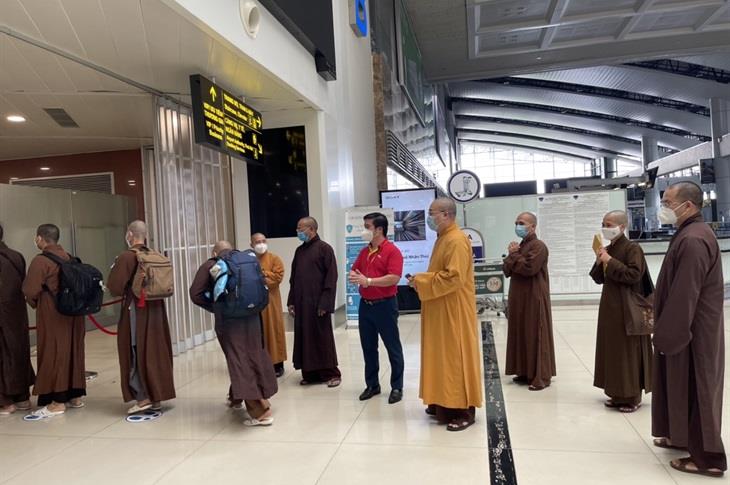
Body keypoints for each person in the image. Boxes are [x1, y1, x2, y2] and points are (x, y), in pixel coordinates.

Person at [652, 181, 726, 477]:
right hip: (686, 328)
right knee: (679, 384)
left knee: (698, 389)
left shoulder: (694, 239)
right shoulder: (689, 233)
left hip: (693, 333)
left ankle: (707, 459)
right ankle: (680, 437)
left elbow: (686, 294)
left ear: (689, 206)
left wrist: (668, 333)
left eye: (668, 202)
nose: (664, 208)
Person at [408, 198, 483, 431]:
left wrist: (421, 280)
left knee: (454, 356)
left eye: (432, 213)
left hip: (453, 309)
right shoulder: (443, 238)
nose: (429, 218)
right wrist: (422, 280)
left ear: (446, 214)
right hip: (440, 306)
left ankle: (462, 409)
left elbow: (454, 278)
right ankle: (442, 402)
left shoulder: (457, 240)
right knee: (439, 354)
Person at [190, 241, 278, 426]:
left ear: (215, 251)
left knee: (238, 359)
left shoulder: (212, 264)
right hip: (253, 318)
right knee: (254, 354)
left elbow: (195, 293)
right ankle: (236, 397)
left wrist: (218, 307)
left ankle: (261, 411)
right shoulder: (247, 260)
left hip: (230, 321)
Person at [107, 220, 176, 414]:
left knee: (135, 349)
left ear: (130, 234)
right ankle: (156, 396)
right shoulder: (154, 255)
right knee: (155, 351)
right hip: (156, 311)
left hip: (136, 310)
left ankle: (143, 396)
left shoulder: (128, 257)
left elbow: (115, 287)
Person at [589, 211, 653, 413]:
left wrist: (609, 260)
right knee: (613, 350)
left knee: (628, 352)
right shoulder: (608, 248)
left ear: (622, 227)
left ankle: (632, 396)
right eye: (603, 223)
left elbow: (634, 275)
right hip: (610, 307)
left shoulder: (633, 248)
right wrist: (600, 261)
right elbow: (598, 278)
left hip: (628, 307)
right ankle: (616, 393)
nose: (605, 228)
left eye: (609, 224)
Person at [22, 224, 85, 418]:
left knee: (54, 352)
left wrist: (37, 303)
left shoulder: (41, 261)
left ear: (40, 239)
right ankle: (75, 396)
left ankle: (57, 401)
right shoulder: (70, 257)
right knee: (73, 351)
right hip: (74, 314)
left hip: (53, 314)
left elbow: (29, 290)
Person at [348, 212, 405, 404]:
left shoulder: (392, 251)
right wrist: (355, 276)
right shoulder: (365, 251)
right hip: (366, 306)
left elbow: (394, 278)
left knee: (392, 347)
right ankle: (372, 385)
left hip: (385, 305)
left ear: (379, 229)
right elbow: (355, 269)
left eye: (367, 227)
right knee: (368, 347)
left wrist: (368, 280)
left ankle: (397, 386)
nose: (364, 230)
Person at [502, 212, 556, 391]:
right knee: (521, 332)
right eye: (516, 222)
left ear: (533, 227)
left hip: (534, 297)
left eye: (522, 223)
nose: (518, 226)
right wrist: (512, 255)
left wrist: (514, 255)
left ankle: (541, 376)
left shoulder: (538, 246)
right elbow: (507, 270)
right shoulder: (521, 246)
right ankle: (524, 371)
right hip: (518, 297)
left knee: (535, 333)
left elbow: (529, 268)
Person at [287, 217, 341, 387]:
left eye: (300, 228)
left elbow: (331, 278)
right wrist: (291, 301)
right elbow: (293, 279)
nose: (298, 232)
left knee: (321, 337)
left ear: (312, 229)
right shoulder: (299, 251)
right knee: (305, 338)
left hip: (318, 304)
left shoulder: (325, 249)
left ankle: (332, 374)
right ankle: (310, 374)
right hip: (302, 303)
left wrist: (325, 303)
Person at [0, 223, 35, 415]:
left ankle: (5, 402)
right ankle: (23, 398)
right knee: (18, 350)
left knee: (3, 355)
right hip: (17, 313)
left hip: (2, 314)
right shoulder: (16, 255)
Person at [251, 233, 287, 377]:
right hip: (254, 302)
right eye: (257, 242)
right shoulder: (250, 260)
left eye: (263, 241)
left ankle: (278, 364)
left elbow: (277, 278)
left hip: (271, 302)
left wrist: (263, 275)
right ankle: (260, 365)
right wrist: (264, 276)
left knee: (273, 330)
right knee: (258, 333)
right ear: (251, 245)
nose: (260, 244)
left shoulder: (274, 258)